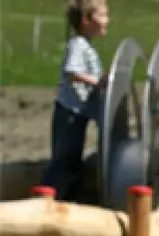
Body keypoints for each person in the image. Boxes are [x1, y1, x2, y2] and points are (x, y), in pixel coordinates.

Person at [43, 0, 109, 202]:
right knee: (64, 161)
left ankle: (63, 199)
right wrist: (97, 82)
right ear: (86, 20)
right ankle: (48, 200)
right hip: (70, 113)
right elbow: (72, 72)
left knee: (71, 160)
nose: (108, 20)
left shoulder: (87, 47)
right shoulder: (78, 45)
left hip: (78, 114)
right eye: (103, 15)